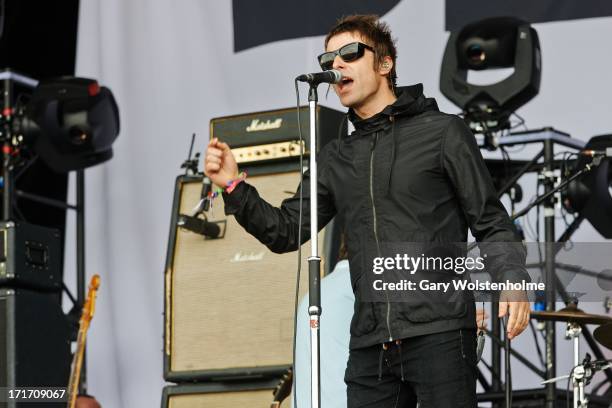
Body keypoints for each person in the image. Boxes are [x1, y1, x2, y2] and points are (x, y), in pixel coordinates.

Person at [205, 14, 531, 408]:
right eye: (329, 60)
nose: (336, 65)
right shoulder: (335, 157)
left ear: (385, 63)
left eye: (349, 53)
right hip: (370, 345)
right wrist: (233, 185)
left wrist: (512, 278)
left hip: (440, 334)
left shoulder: (443, 132)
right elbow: (285, 230)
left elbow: (491, 221)